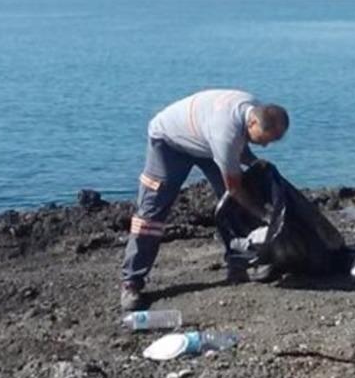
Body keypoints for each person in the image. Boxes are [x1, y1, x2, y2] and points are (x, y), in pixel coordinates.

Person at [120, 90, 290, 312]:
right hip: (169, 142)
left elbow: (240, 147)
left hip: (205, 142)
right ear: (253, 122)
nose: (266, 146)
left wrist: (257, 164)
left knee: (236, 206)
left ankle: (240, 262)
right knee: (152, 214)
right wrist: (263, 214)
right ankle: (131, 281)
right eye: (265, 139)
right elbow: (235, 188)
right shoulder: (225, 134)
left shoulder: (250, 109)